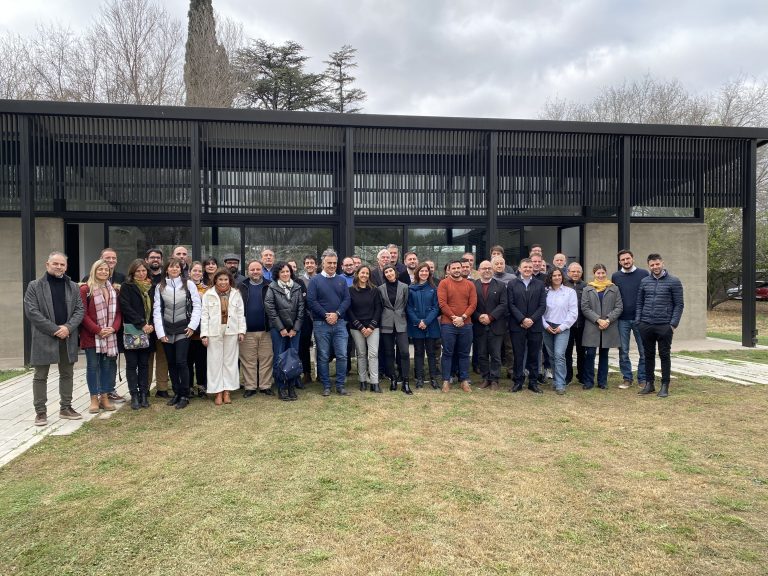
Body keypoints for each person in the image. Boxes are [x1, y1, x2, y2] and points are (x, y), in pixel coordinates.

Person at [24, 252, 85, 426]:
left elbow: (79, 310)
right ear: (47, 264)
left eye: (62, 264)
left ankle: (66, 407)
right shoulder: (34, 286)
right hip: (44, 337)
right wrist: (55, 329)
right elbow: (32, 312)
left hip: (67, 336)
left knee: (67, 373)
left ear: (66, 266)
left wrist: (67, 327)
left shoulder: (73, 286)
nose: (59, 267)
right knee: (40, 375)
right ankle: (41, 412)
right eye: (55, 264)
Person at [153, 257, 202, 409]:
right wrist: (160, 333)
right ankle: (176, 392)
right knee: (172, 363)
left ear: (181, 269)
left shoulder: (189, 284)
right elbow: (157, 310)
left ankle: (185, 394)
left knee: (181, 362)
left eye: (177, 267)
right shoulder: (160, 287)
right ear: (166, 269)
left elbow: (197, 306)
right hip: (167, 330)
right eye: (171, 267)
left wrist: (193, 326)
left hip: (183, 329)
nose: (174, 269)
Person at [636, 253, 684, 398]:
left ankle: (664, 386)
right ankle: (649, 384)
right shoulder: (644, 281)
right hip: (646, 325)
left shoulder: (674, 281)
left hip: (664, 325)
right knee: (648, 355)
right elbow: (639, 302)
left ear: (662, 263)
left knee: (664, 355)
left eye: (657, 264)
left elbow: (679, 304)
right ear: (648, 266)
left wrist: (673, 324)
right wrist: (639, 321)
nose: (655, 267)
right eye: (652, 265)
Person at [79, 258, 122, 414]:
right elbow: (82, 315)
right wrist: (98, 330)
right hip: (92, 336)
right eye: (100, 269)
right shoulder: (85, 289)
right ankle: (93, 399)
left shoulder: (114, 290)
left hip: (109, 336)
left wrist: (113, 329)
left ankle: (104, 397)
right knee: (93, 367)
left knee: (106, 367)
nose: (103, 272)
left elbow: (118, 313)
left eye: (106, 270)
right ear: (94, 271)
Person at [307, 249, 351, 396]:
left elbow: (347, 300)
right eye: (329, 263)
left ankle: (340, 385)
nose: (332, 265)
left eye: (334, 263)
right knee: (323, 356)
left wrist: (336, 314)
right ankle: (326, 385)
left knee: (342, 355)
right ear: (322, 263)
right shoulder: (315, 280)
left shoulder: (342, 280)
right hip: (321, 324)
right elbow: (311, 301)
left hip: (340, 323)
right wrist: (326, 315)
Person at [201, 268, 246, 405]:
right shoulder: (208, 294)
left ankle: (227, 391)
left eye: (226, 279)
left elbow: (240, 314)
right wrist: (204, 334)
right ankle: (217, 392)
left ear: (230, 280)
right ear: (215, 280)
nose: (223, 282)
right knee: (215, 363)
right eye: (220, 279)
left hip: (231, 331)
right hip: (214, 332)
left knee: (230, 363)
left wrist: (241, 331)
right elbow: (204, 316)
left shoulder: (236, 294)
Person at [264, 261, 305, 401]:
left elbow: (301, 309)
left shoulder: (297, 287)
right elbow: (270, 309)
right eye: (282, 272)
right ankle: (281, 387)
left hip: (295, 330)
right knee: (279, 358)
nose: (286, 274)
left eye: (288, 271)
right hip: (278, 330)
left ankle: (291, 386)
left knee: (293, 357)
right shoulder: (272, 287)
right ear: (277, 274)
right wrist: (281, 328)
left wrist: (295, 328)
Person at [119, 258, 155, 410]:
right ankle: (134, 394)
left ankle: (144, 393)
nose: (141, 273)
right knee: (132, 364)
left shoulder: (151, 287)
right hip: (132, 330)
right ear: (133, 272)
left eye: (144, 270)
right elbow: (126, 307)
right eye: (138, 271)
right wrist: (142, 324)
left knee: (144, 364)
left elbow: (155, 307)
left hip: (148, 331)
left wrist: (150, 325)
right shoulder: (127, 286)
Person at [507, 258, 547, 393]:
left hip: (535, 326)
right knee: (518, 354)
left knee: (534, 355)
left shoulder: (540, 284)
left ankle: (533, 382)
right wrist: (522, 319)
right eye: (525, 267)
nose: (528, 269)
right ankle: (518, 381)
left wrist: (531, 320)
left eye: (530, 267)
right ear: (519, 269)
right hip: (517, 325)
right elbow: (511, 305)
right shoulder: (512, 284)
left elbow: (542, 306)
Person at [581, 264, 623, 390]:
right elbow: (585, 307)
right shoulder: (587, 289)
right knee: (590, 354)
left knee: (604, 355)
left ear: (606, 273)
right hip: (592, 326)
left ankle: (602, 381)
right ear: (594, 274)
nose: (600, 275)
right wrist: (598, 320)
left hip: (608, 326)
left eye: (602, 273)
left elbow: (619, 307)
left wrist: (608, 320)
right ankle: (588, 381)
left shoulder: (614, 288)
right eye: (598, 273)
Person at [612, 249, 650, 389]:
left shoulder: (644, 274)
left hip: (640, 319)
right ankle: (627, 378)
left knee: (644, 350)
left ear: (632, 258)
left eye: (628, 258)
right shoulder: (616, 276)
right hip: (622, 320)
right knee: (623, 351)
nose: (626, 261)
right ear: (619, 262)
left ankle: (643, 378)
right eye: (623, 260)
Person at [438, 260, 477, 392]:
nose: (456, 270)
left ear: (462, 269)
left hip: (466, 324)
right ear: (449, 270)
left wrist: (463, 317)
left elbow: (473, 304)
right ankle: (446, 380)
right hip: (448, 324)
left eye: (458, 268)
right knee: (448, 353)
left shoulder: (470, 284)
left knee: (464, 353)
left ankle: (464, 380)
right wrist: (454, 318)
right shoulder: (444, 283)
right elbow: (442, 303)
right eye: (453, 268)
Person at [239, 259, 273, 397]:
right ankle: (250, 387)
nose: (255, 272)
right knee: (248, 360)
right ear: (248, 271)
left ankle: (265, 386)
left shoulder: (270, 285)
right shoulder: (240, 286)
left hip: (267, 329)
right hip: (247, 331)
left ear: (262, 270)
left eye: (258, 269)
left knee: (266, 358)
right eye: (252, 269)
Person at [472, 260, 508, 390]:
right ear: (479, 270)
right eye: (484, 268)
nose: (486, 270)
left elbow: (504, 304)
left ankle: (495, 380)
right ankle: (485, 378)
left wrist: (490, 317)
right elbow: (470, 304)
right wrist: (478, 316)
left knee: (495, 355)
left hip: (496, 325)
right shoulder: (473, 285)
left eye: (489, 268)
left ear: (492, 269)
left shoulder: (501, 285)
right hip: (479, 324)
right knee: (481, 354)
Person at [541, 268, 578, 395]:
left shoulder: (570, 292)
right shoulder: (545, 292)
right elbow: (540, 310)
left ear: (562, 277)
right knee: (551, 356)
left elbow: (573, 313)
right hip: (547, 327)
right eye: (554, 275)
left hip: (562, 327)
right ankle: (556, 381)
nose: (557, 277)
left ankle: (561, 383)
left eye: (559, 275)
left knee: (559, 355)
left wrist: (562, 327)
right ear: (550, 277)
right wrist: (545, 325)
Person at [378, 265, 412, 394]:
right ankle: (392, 378)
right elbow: (380, 305)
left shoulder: (404, 287)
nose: (389, 273)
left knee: (404, 352)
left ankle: (405, 381)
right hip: (386, 322)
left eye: (390, 271)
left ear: (395, 272)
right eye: (386, 272)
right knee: (388, 353)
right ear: (384, 275)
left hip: (401, 322)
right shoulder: (380, 289)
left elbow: (407, 303)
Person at [348, 265, 382, 392]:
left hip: (373, 327)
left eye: (367, 273)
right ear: (357, 274)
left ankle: (374, 382)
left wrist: (371, 326)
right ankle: (362, 381)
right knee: (361, 354)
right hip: (357, 327)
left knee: (373, 354)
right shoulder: (350, 290)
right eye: (362, 273)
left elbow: (378, 309)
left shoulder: (374, 290)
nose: (364, 275)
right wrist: (361, 327)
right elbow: (349, 311)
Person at [407, 263, 440, 390]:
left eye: (426, 271)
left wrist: (426, 321)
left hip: (430, 325)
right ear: (417, 273)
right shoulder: (411, 288)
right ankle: (419, 378)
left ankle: (433, 378)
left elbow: (436, 307)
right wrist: (417, 321)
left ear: (429, 273)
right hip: (416, 326)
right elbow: (409, 307)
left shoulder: (433, 288)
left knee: (431, 353)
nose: (424, 273)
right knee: (418, 352)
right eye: (421, 271)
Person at [145, 248, 170, 398]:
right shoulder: (142, 276)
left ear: (161, 260)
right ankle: (145, 387)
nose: (155, 260)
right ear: (147, 260)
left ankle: (162, 388)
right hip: (146, 325)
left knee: (163, 357)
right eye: (152, 257)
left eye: (158, 258)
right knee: (147, 358)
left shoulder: (165, 278)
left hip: (163, 323)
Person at [187, 261, 208, 398]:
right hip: (187, 330)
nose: (197, 273)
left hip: (202, 331)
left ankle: (201, 385)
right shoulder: (184, 287)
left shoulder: (207, 289)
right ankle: (189, 386)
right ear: (189, 273)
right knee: (188, 360)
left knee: (201, 361)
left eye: (199, 271)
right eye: (194, 270)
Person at [564, 262, 587, 386]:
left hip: (582, 324)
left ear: (581, 273)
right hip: (567, 325)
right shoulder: (563, 285)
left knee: (581, 352)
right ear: (568, 272)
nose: (575, 273)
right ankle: (568, 376)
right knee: (567, 352)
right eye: (573, 271)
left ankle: (582, 376)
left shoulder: (586, 286)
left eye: (578, 271)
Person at [298, 254, 318, 386]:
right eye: (307, 263)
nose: (309, 265)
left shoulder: (321, 279)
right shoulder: (299, 281)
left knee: (321, 346)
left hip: (320, 317)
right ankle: (306, 373)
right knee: (304, 346)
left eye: (312, 263)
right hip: (305, 318)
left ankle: (321, 373)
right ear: (304, 265)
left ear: (316, 265)